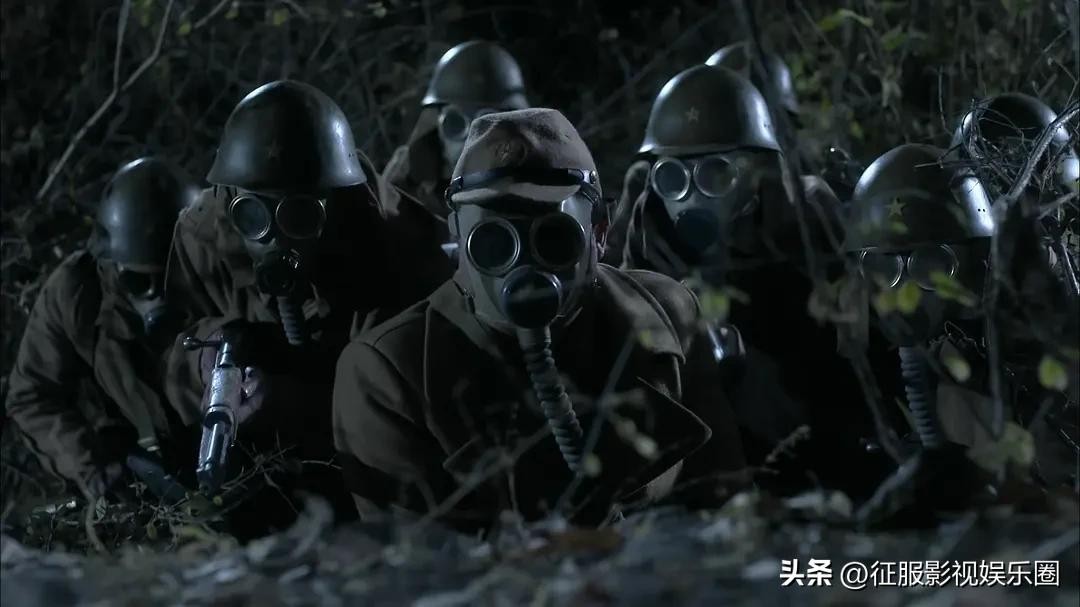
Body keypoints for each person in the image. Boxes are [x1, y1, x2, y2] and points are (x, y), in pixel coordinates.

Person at [333, 108, 748, 534]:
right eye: (494, 242)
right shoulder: (391, 372)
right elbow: (421, 562)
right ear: (459, 236)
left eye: (554, 237)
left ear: (598, 232)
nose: (525, 267)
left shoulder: (667, 313)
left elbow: (725, 501)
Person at [162, 80, 453, 533]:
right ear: (230, 201)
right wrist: (205, 361)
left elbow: (408, 407)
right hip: (258, 471)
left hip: (364, 476)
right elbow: (166, 348)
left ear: (335, 203)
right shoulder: (204, 238)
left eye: (299, 216)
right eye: (252, 215)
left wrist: (287, 401)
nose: (274, 238)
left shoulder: (398, 250)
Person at [608, 64, 879, 496]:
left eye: (715, 174)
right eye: (672, 178)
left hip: (803, 421)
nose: (690, 196)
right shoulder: (651, 225)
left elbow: (847, 357)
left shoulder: (804, 219)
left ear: (757, 172)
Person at [6, 157, 198, 500]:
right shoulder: (78, 294)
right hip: (136, 464)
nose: (156, 296)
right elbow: (32, 395)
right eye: (139, 281)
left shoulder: (218, 273)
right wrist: (92, 466)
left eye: (170, 277)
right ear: (109, 264)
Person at [382, 41, 530, 230]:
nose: (471, 142)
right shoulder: (408, 188)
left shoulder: (539, 188)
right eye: (455, 123)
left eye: (486, 126)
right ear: (439, 127)